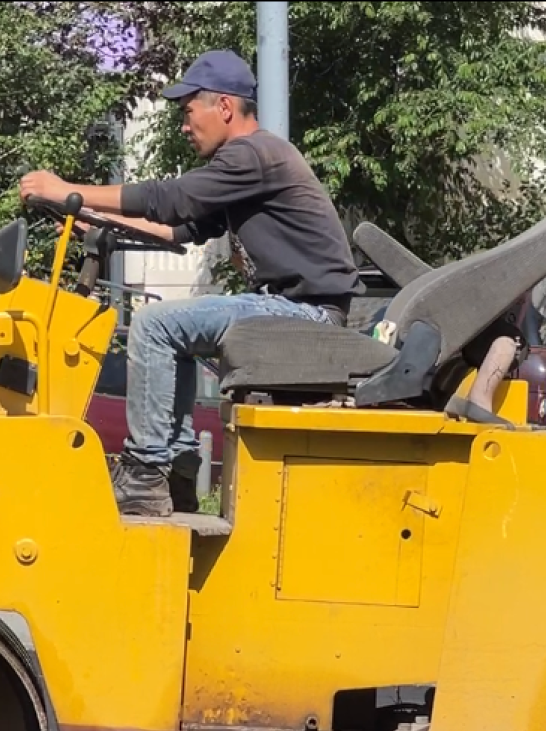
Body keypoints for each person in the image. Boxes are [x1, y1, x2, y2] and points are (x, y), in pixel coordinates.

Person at [19, 49, 362, 517]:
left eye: (188, 111)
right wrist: (90, 215)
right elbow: (179, 230)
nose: (184, 125)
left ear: (223, 107)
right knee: (173, 333)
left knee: (156, 324)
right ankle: (178, 471)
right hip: (298, 312)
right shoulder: (250, 164)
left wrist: (65, 189)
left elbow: (172, 200)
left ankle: (144, 472)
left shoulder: (253, 155)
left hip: (306, 315)